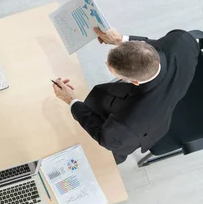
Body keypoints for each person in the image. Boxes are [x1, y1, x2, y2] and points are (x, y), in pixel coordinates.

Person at [52, 27, 201, 164]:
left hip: (146, 129)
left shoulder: (128, 124)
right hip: (179, 87)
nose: (105, 63)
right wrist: (120, 40)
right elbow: (153, 45)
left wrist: (71, 100)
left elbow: (106, 138)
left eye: (110, 68)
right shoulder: (181, 41)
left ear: (134, 82)